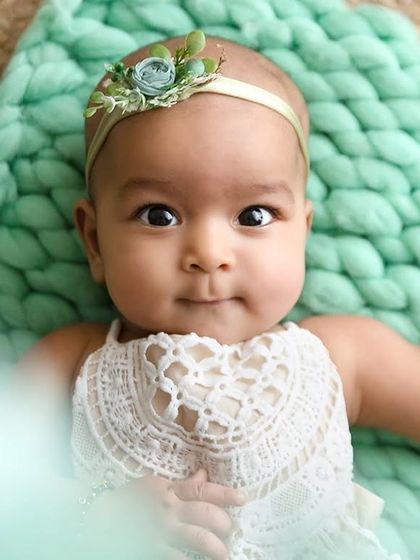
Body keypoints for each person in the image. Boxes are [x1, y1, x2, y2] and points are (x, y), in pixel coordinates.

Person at [15, 30, 419, 560]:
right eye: (158, 215)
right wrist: (94, 511)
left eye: (254, 215)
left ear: (302, 230)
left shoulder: (340, 356)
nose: (209, 253)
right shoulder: (76, 363)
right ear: (94, 241)